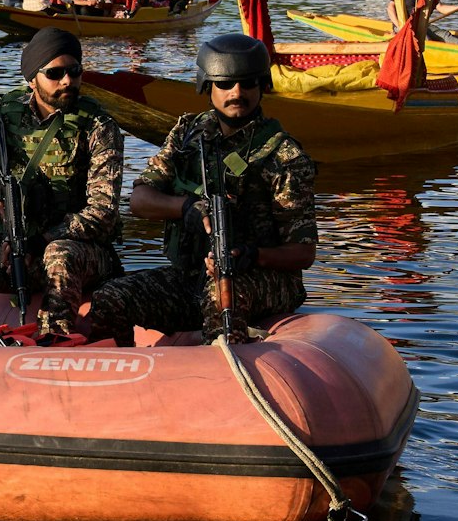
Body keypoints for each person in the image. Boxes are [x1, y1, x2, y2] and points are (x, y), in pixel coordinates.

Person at [78, 33, 317, 345]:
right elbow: (140, 200)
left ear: (262, 86)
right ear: (208, 85)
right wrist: (187, 208)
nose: (237, 92)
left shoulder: (283, 156)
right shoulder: (186, 135)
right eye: (225, 84)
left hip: (262, 278)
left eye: (247, 84)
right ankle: (121, 379)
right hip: (191, 275)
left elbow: (303, 252)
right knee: (111, 297)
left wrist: (252, 255)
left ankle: (225, 367)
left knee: (220, 298)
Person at [0, 28, 127, 339]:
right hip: (13, 243)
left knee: (59, 255)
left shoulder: (98, 126)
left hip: (83, 251)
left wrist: (42, 239)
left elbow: (103, 213)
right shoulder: (6, 114)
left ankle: (55, 341)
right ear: (33, 79)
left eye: (74, 71)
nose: (67, 81)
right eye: (55, 73)